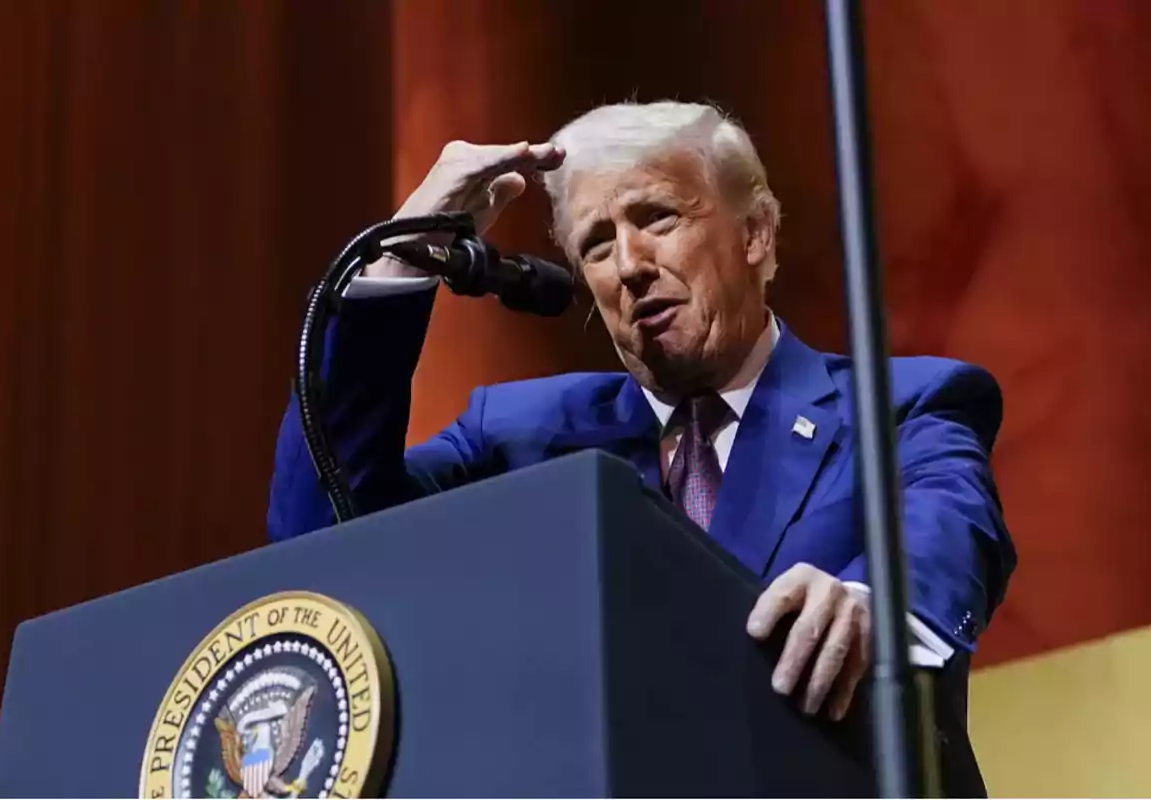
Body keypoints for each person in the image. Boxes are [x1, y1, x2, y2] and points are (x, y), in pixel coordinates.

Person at [267, 101, 1015, 792]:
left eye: (657, 218)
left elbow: (951, 529)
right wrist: (401, 261)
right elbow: (323, 538)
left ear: (755, 234)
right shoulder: (519, 434)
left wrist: (867, 601)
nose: (628, 264)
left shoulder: (901, 406)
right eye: (595, 244)